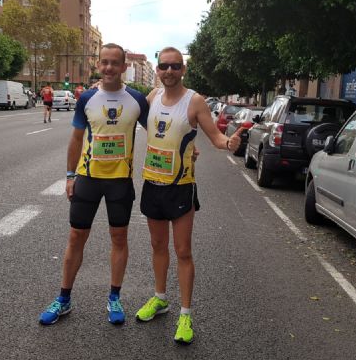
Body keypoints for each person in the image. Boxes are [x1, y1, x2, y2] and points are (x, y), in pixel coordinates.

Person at [134, 46, 242, 344]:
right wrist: (101, 88)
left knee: (183, 251)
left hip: (181, 185)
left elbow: (216, 137)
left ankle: (185, 314)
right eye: (164, 66)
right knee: (158, 245)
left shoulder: (194, 101)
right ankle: (160, 298)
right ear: (158, 69)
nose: (169, 71)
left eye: (175, 66)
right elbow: (131, 113)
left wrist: (228, 143)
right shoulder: (152, 97)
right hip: (152, 182)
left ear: (183, 69)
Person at [38, 43, 149, 326]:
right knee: (76, 237)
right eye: (104, 62)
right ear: (98, 64)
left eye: (115, 62)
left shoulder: (136, 99)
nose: (109, 67)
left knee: (119, 238)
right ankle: (64, 299)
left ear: (124, 67)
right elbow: (76, 139)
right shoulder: (87, 98)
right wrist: (70, 176)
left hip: (119, 181)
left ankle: (114, 298)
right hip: (88, 178)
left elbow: (159, 132)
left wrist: (187, 150)